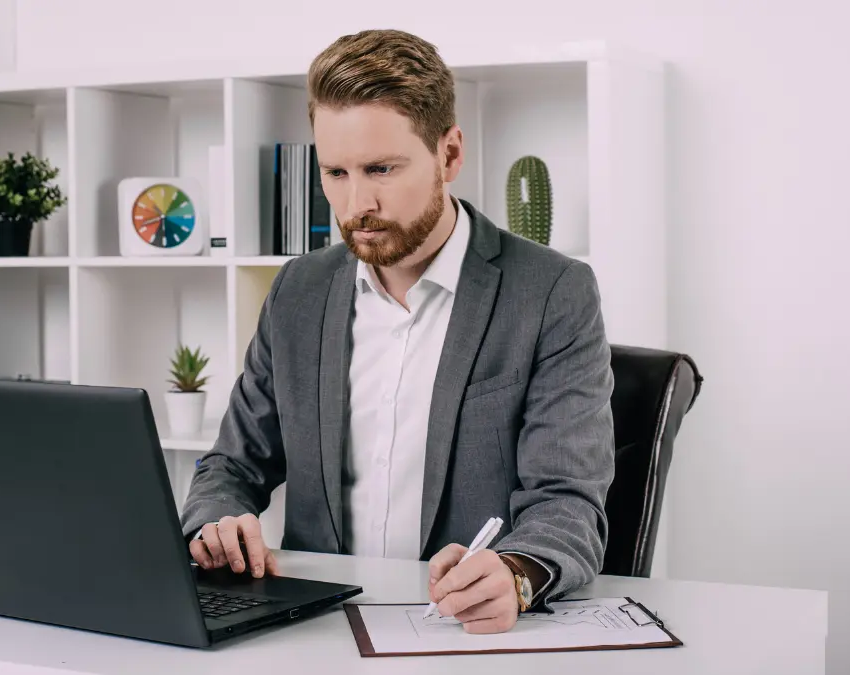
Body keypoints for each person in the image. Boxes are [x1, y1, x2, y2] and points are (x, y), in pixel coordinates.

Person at [180, 28, 615, 635]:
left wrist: (517, 571)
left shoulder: (550, 293)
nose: (356, 203)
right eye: (335, 172)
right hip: (317, 629)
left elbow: (567, 500)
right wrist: (216, 522)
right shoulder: (298, 291)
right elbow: (232, 464)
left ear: (450, 154)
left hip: (460, 629)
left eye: (381, 168)